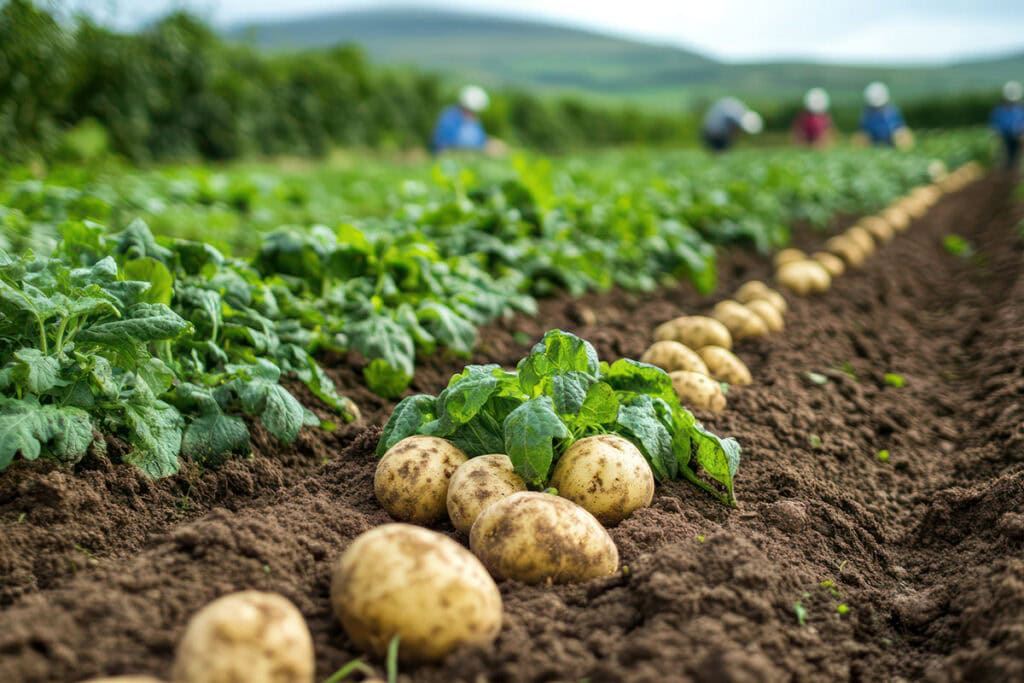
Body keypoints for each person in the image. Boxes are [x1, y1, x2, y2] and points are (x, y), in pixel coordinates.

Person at [430, 85, 506, 156]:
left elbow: (480, 139)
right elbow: (442, 146)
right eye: (471, 112)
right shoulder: (450, 119)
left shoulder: (474, 121)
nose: (474, 115)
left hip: (471, 155)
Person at [858, 82, 912, 148]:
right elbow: (863, 131)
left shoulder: (892, 112)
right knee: (860, 138)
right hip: (873, 140)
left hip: (891, 139)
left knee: (902, 133)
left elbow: (900, 128)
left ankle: (903, 148)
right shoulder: (866, 114)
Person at [990, 80, 1024, 168]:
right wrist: (996, 132)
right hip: (1004, 136)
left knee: (1017, 156)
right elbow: (995, 123)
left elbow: (1021, 121)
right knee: (1006, 155)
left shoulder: (1019, 109)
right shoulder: (999, 110)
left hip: (1018, 136)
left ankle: (1014, 172)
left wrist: (1021, 130)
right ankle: (1006, 171)